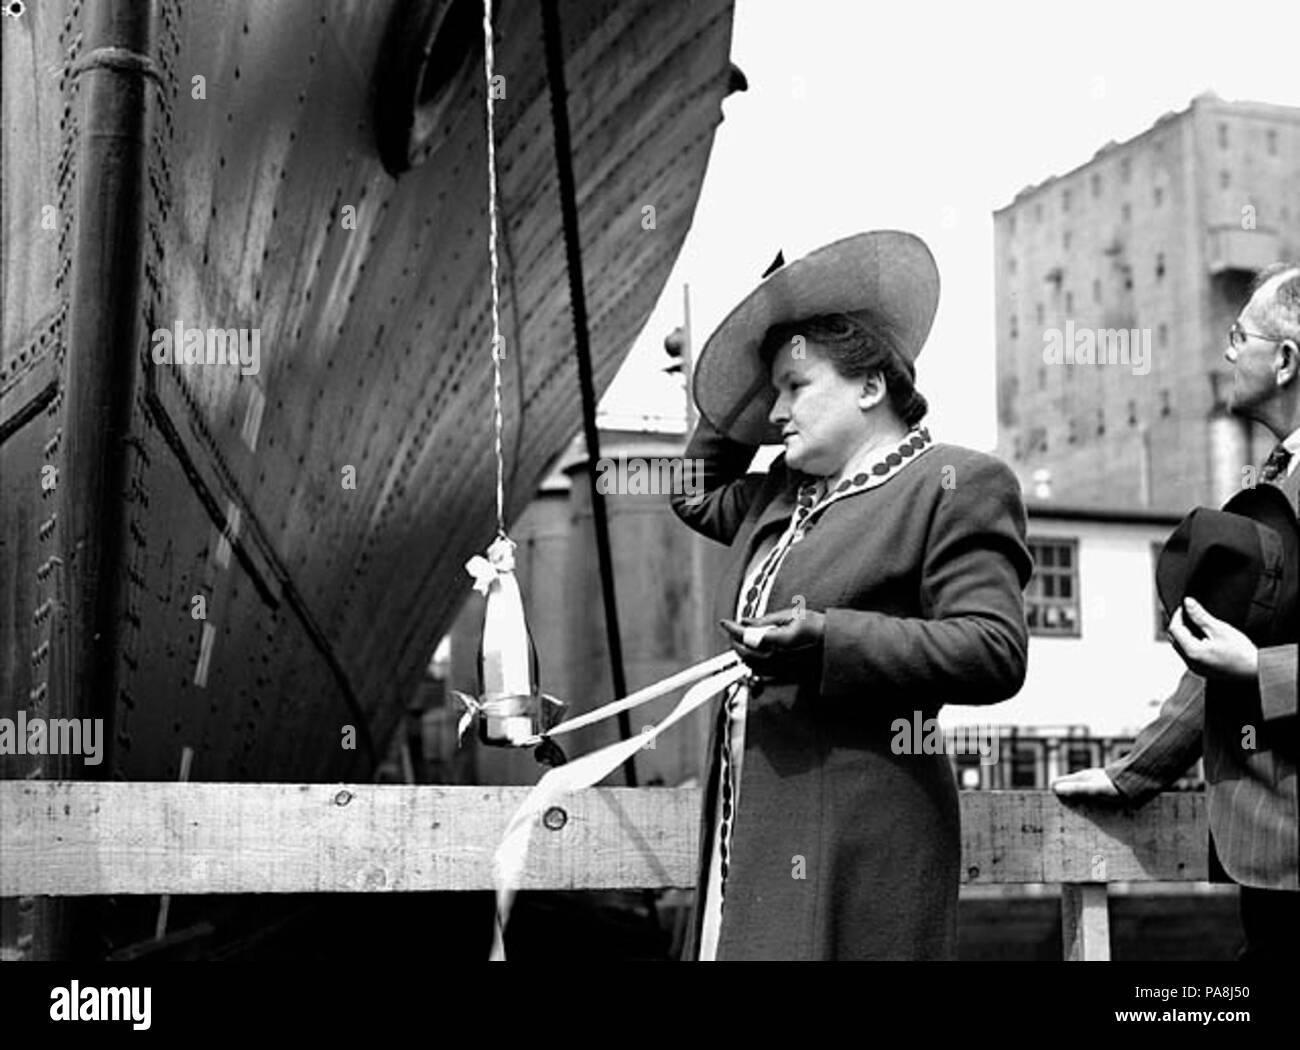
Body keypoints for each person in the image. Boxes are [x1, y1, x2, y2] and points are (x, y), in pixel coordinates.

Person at [670, 231, 1033, 960]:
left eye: (796, 387)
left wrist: (830, 640)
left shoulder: (955, 483)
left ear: (871, 387)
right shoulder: (781, 493)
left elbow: (995, 651)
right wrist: (728, 390)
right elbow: (690, 492)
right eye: (771, 394)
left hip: (864, 840)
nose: (775, 414)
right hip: (750, 838)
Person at [1053, 263, 1300, 961]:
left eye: (1238, 336)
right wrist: (1134, 773)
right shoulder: (1275, 477)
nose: (1226, 353)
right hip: (1273, 861)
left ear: (1284, 361)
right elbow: (1216, 665)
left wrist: (1258, 669)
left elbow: (1242, 660)